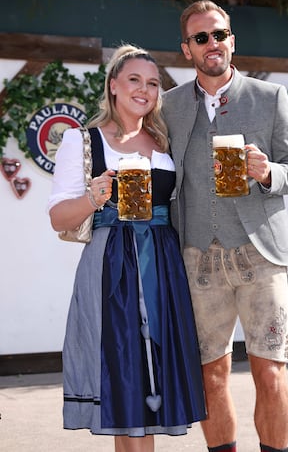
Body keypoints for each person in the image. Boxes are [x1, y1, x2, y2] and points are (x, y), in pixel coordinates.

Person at [161, 0, 288, 452]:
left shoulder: (270, 98)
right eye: (201, 37)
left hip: (259, 254)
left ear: (232, 40)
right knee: (211, 373)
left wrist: (268, 174)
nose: (213, 44)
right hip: (197, 257)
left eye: (220, 34)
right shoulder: (169, 106)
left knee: (270, 370)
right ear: (187, 49)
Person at [48, 44, 206, 452]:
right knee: (125, 381)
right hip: (113, 266)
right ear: (113, 85)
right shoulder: (82, 141)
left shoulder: (165, 140)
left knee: (152, 386)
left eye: (152, 83)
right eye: (134, 79)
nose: (144, 89)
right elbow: (59, 218)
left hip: (164, 265)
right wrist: (94, 197)